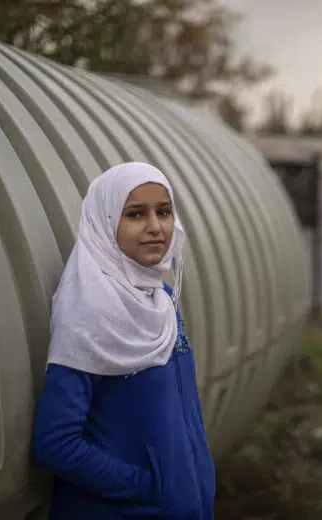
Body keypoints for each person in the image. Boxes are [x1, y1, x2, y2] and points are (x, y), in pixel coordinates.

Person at [32, 162, 216, 519]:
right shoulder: (91, 310)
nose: (155, 227)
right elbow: (56, 444)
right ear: (105, 223)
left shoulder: (160, 300)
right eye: (135, 214)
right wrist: (150, 490)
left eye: (163, 212)